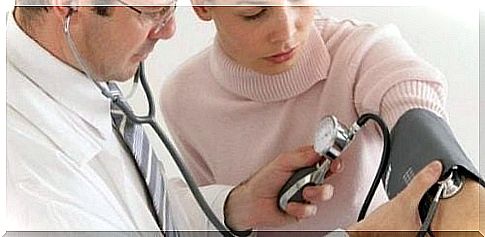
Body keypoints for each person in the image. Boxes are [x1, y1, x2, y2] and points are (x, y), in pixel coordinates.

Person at [6, 0, 335, 232]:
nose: (169, 30)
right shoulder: (27, 183)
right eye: (152, 12)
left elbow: (138, 218)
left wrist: (237, 205)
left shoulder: (82, 81)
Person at [160, 0, 453, 233]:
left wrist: (455, 178)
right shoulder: (182, 98)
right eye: (254, 13)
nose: (286, 32)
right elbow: (208, 221)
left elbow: (410, 97)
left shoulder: (360, 50)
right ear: (201, 6)